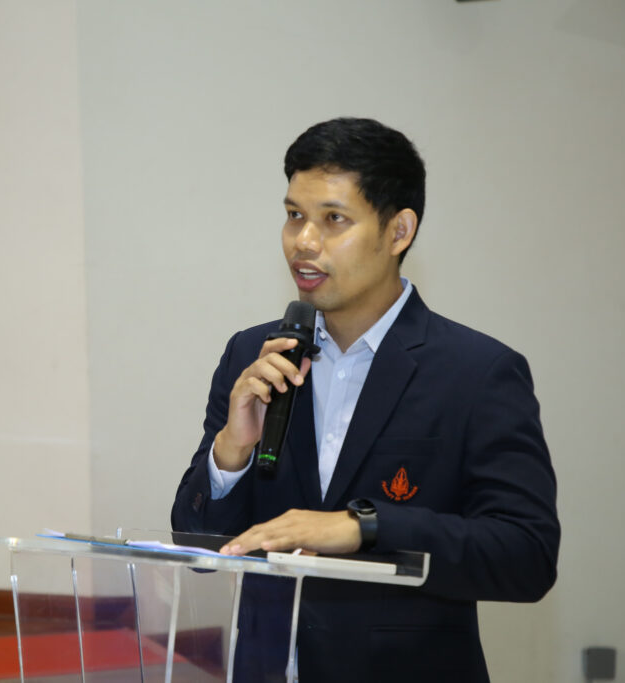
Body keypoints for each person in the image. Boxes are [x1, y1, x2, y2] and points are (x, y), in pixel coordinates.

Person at [171, 117, 559, 682]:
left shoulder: (477, 373)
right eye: (294, 215)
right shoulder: (253, 355)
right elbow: (199, 547)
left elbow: (525, 554)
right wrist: (232, 452)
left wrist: (364, 527)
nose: (304, 241)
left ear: (398, 231)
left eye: (334, 219)